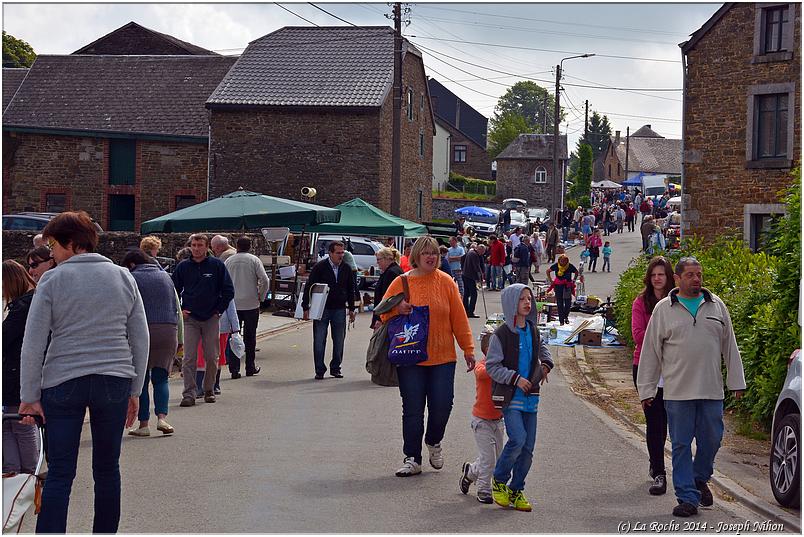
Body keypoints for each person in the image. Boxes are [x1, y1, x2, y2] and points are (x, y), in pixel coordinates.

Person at [18, 211, 148, 533]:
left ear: (72, 244)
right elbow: (139, 337)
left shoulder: (52, 279)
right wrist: (135, 390)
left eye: (54, 246)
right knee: (107, 469)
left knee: (60, 472)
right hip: (114, 378)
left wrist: (29, 397)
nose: (52, 253)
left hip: (64, 379)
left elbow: (33, 344)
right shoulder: (122, 276)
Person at [637, 257, 746, 518]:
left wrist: (736, 381)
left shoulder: (716, 305)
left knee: (712, 439)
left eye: (699, 274)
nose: (696, 279)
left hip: (711, 389)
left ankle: (699, 477)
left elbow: (729, 345)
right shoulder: (664, 309)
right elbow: (651, 352)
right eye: (690, 275)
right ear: (678, 279)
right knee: (682, 445)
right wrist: (647, 389)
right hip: (677, 392)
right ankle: (687, 496)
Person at [380, 236, 475, 477]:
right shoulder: (401, 282)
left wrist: (468, 349)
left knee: (442, 405)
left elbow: (459, 318)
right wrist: (396, 309)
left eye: (434, 253)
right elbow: (381, 312)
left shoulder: (446, 282)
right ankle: (412, 457)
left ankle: (433, 441)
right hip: (411, 356)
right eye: (426, 253)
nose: (431, 257)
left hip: (443, 357)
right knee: (412, 408)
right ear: (416, 257)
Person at [486, 284, 553, 511]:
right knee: (518, 439)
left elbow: (543, 349)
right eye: (521, 299)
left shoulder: (533, 330)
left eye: (529, 298)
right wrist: (515, 378)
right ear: (510, 303)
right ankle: (499, 480)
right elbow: (492, 366)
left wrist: (546, 365)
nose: (527, 303)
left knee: (528, 447)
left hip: (531, 398)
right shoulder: (501, 335)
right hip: (511, 397)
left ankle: (516, 489)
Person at [123, 249, 182, 437]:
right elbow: (177, 309)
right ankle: (162, 418)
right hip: (168, 330)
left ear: (132, 264)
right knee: (161, 377)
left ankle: (144, 424)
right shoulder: (165, 277)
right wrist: (180, 338)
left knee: (141, 381)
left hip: (142, 331)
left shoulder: (132, 278)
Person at [172, 233, 235, 406]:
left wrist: (219, 310)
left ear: (207, 247)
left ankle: (209, 389)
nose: (196, 248)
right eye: (194, 245)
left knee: (211, 356)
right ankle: (189, 393)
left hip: (210, 318)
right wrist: (180, 310)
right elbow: (173, 291)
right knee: (189, 358)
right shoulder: (183, 267)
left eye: (200, 245)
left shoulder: (217, 266)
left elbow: (228, 290)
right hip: (190, 318)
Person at [631, 256, 674, 496]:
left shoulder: (676, 302)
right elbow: (638, 335)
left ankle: (657, 462)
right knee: (654, 421)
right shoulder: (641, 302)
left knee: (666, 421)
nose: (658, 278)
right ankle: (659, 472)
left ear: (668, 277)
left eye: (662, 274)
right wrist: (666, 335)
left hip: (673, 369)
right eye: (654, 274)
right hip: (646, 368)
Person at [2, 260, 40, 474]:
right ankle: (15, 473)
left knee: (19, 425)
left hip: (18, 374)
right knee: (9, 425)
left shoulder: (23, 306)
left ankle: (25, 476)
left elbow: (5, 337)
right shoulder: (28, 302)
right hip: (17, 373)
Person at [301, 240, 356, 379]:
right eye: (338, 253)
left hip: (339, 308)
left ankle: (336, 367)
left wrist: (352, 308)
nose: (341, 255)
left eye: (342, 252)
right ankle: (319, 369)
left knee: (339, 340)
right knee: (319, 340)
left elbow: (351, 288)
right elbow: (309, 286)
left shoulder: (346, 268)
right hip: (322, 308)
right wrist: (305, 306)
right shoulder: (320, 267)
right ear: (330, 253)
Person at [459, 357, 504, 504]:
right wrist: (498, 369)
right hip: (481, 421)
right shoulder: (482, 365)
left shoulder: (505, 366)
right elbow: (480, 373)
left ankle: (471, 472)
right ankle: (484, 489)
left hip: (498, 420)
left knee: (496, 457)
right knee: (488, 458)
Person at [225, 236, 270, 378]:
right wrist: (261, 296)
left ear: (236, 246)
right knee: (250, 336)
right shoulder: (254, 260)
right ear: (250, 246)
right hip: (251, 303)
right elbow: (265, 280)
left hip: (233, 304)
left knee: (234, 336)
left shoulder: (228, 261)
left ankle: (234, 369)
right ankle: (250, 367)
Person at [195, 297, 238, 396]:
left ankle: (214, 384)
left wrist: (236, 329)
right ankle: (200, 386)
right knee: (201, 356)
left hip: (222, 327)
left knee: (217, 356)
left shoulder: (224, 286)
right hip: (202, 324)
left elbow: (231, 308)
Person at [371, 246, 403, 329]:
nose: (377, 262)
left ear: (387, 259)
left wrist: (379, 319)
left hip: (387, 317)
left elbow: (387, 299)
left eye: (379, 259)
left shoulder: (391, 273)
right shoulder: (394, 270)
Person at [546, 255, 578, 325]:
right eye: (562, 261)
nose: (563, 262)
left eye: (565, 261)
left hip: (567, 286)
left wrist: (574, 280)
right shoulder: (556, 266)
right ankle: (561, 321)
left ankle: (565, 316)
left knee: (568, 303)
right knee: (559, 303)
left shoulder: (569, 266)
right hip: (558, 286)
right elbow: (548, 271)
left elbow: (576, 272)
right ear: (559, 261)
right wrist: (551, 281)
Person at [462, 244, 485, 318]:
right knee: (473, 294)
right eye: (483, 251)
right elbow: (477, 267)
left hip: (465, 275)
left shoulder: (470, 252)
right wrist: (480, 277)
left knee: (466, 293)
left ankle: (465, 310)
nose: (483, 253)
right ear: (479, 249)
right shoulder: (474, 255)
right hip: (470, 276)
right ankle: (470, 312)